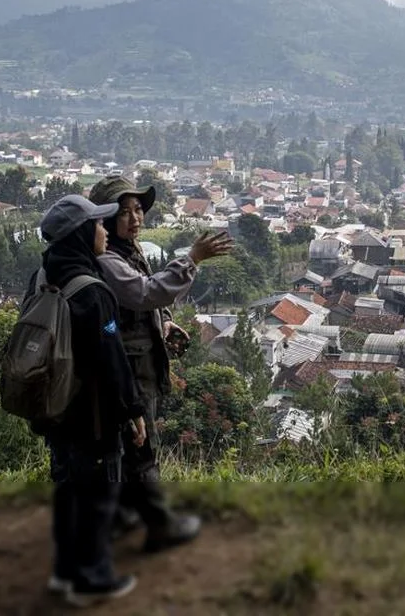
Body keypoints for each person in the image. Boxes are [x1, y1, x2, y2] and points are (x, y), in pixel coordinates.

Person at [88, 176, 234, 552]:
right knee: (141, 445)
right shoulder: (106, 257)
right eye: (124, 212)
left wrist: (163, 322)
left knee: (126, 444)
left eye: (138, 209)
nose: (135, 218)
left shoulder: (125, 249)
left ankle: (118, 517)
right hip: (128, 371)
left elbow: (141, 298)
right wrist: (192, 259)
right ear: (103, 219)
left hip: (134, 362)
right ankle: (159, 525)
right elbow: (143, 291)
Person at [27, 194, 150, 607]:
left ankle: (65, 572)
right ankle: (92, 579)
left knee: (66, 489)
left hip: (54, 409)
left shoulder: (43, 274)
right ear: (81, 234)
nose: (104, 230)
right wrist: (133, 411)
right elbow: (111, 360)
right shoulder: (92, 291)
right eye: (97, 225)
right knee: (99, 497)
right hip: (92, 416)